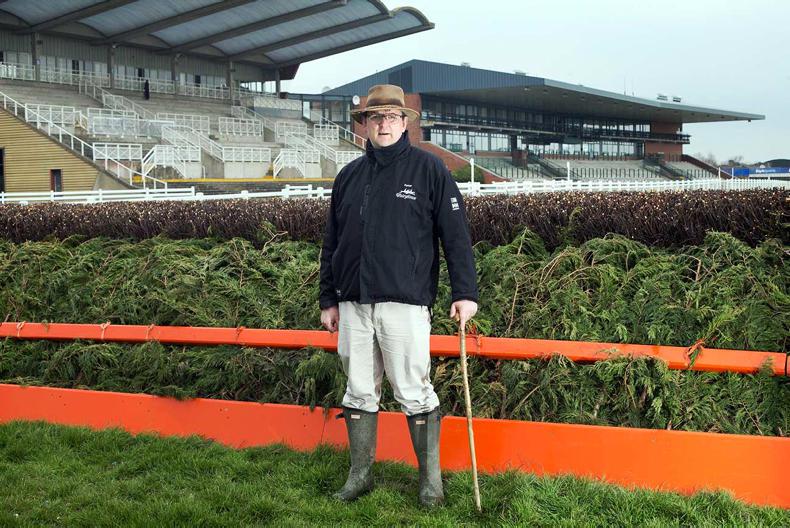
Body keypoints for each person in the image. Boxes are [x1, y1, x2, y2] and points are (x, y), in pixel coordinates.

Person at [319, 84, 478, 507]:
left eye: (392, 117)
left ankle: (431, 483)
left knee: (413, 389)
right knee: (358, 389)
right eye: (376, 118)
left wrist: (465, 292)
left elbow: (456, 237)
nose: (384, 124)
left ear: (405, 122)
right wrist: (328, 299)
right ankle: (360, 475)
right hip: (353, 302)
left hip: (405, 302)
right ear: (365, 125)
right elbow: (331, 243)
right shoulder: (348, 176)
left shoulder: (430, 171)